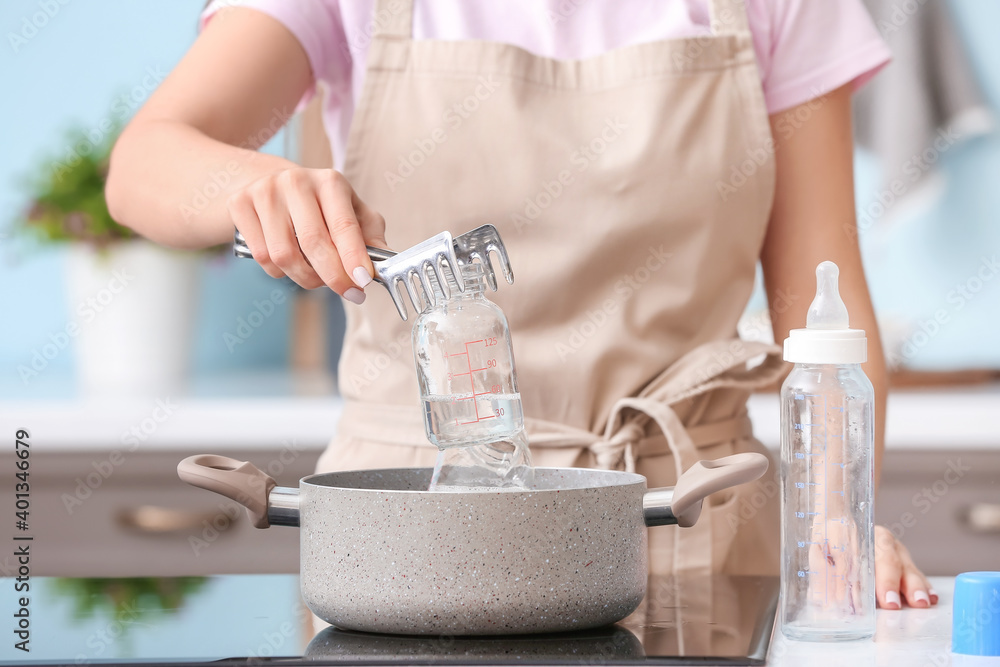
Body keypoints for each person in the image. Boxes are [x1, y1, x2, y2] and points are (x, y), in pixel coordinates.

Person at [106, 0, 936, 610]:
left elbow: (823, 303)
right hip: (410, 539)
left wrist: (839, 516)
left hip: (686, 522)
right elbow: (143, 163)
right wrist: (258, 185)